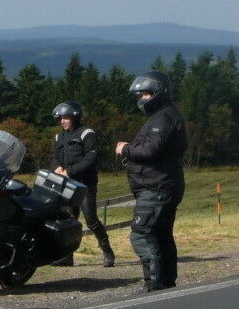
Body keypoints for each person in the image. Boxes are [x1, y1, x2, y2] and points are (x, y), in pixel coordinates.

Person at [116, 71, 187, 291]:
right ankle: (166, 281)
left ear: (159, 93)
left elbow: (150, 150)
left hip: (157, 186)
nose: (143, 99)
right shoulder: (165, 115)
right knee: (161, 234)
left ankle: (154, 280)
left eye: (147, 94)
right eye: (142, 94)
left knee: (142, 232)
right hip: (162, 184)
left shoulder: (163, 118)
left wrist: (125, 149)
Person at [51, 101, 115, 267]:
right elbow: (55, 157)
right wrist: (57, 167)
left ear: (75, 117)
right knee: (68, 219)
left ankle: (107, 251)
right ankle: (67, 256)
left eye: (65, 118)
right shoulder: (59, 136)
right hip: (67, 184)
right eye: (61, 118)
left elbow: (91, 158)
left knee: (91, 219)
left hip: (85, 184)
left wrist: (70, 171)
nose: (62, 121)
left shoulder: (87, 133)